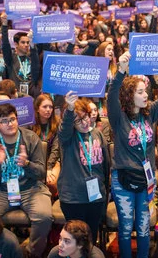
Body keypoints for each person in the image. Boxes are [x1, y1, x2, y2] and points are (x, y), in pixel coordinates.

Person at [107, 51, 158, 258]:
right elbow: (112, 93)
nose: (146, 96)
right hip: (122, 179)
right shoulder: (118, 117)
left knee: (143, 227)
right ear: (129, 95)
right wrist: (121, 71)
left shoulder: (149, 111)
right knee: (125, 228)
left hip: (146, 179)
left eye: (146, 92)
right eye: (141, 92)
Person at [0, 103, 53, 258]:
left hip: (31, 188)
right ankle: (3, 252)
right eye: (5, 121)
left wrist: (26, 164)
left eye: (13, 119)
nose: (10, 124)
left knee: (44, 217)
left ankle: (31, 253)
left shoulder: (31, 138)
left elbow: (41, 173)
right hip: (0, 191)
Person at [57, 92, 109, 243]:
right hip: (74, 198)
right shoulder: (67, 137)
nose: (85, 122)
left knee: (91, 237)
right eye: (78, 120)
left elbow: (105, 166)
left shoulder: (98, 134)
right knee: (75, 241)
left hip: (96, 197)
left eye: (85, 117)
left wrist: (104, 191)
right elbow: (64, 127)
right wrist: (70, 108)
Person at [0, 13, 40, 96]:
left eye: (28, 42)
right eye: (23, 42)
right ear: (16, 44)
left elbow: (35, 56)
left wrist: (32, 44)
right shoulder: (11, 59)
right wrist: (4, 25)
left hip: (32, 97)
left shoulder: (31, 58)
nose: (26, 45)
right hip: (15, 96)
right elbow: (5, 45)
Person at [32, 94, 61, 197]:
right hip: (35, 161)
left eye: (51, 107)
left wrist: (48, 168)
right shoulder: (31, 125)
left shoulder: (57, 123)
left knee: (51, 183)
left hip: (53, 160)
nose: (48, 110)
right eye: (45, 107)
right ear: (37, 109)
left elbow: (56, 149)